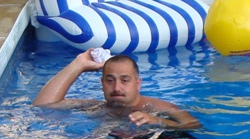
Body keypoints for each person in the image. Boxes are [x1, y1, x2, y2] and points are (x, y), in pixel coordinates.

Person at [32, 49, 201, 130]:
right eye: (110, 80)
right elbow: (43, 105)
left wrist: (157, 121)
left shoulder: (158, 107)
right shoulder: (95, 107)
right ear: (102, 83)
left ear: (138, 84)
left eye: (125, 80)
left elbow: (193, 125)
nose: (116, 87)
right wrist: (78, 65)